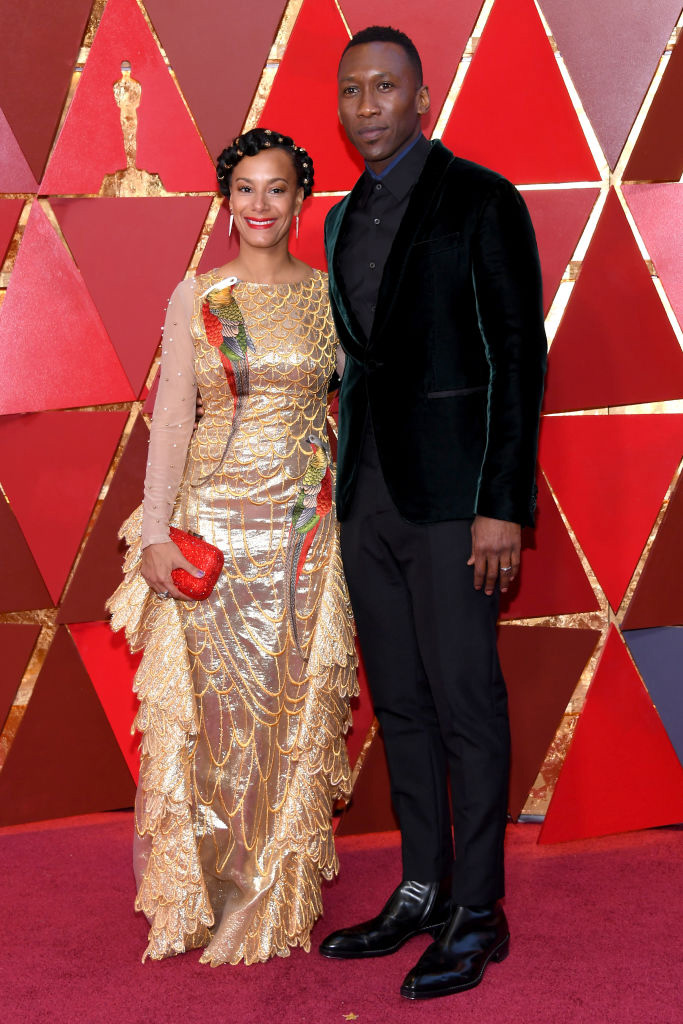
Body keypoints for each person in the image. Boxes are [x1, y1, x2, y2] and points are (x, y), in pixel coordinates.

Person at [317, 27, 547, 1000]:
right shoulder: (339, 220)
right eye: (351, 90)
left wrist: (501, 507)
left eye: (384, 87)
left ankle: (479, 909)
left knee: (464, 704)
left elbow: (517, 358)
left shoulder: (481, 199)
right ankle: (422, 887)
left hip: (456, 505)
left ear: (421, 97)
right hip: (365, 500)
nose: (366, 106)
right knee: (402, 706)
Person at [108, 128, 357, 966]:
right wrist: (153, 534)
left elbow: (358, 412)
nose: (260, 204)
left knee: (287, 712)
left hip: (302, 536)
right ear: (226, 201)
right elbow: (173, 420)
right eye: (244, 188)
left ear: (300, 199)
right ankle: (199, 892)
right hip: (210, 529)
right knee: (211, 721)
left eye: (276, 188)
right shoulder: (199, 296)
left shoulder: (331, 297)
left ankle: (269, 895)